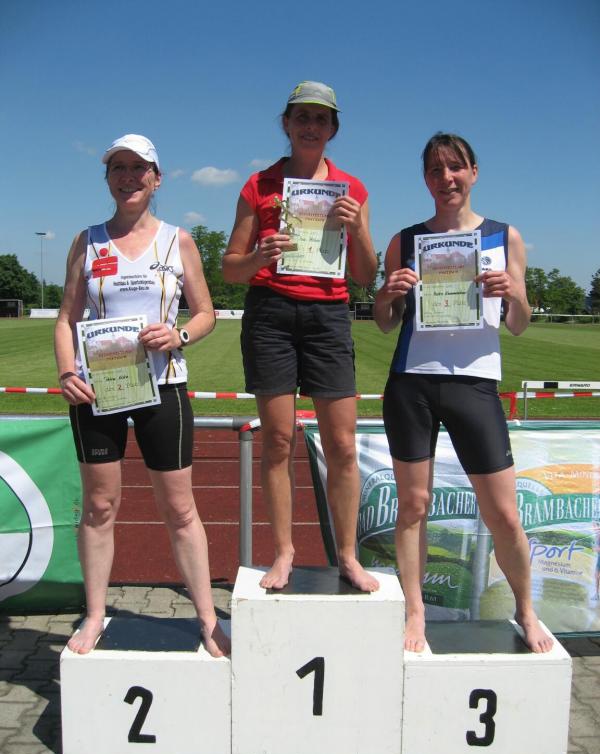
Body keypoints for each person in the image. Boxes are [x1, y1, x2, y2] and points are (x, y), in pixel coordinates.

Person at [374, 132, 554, 653]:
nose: (446, 178)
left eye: (455, 167)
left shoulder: (504, 236)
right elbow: (386, 322)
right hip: (412, 381)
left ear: (473, 172)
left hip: (475, 383)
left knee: (503, 514)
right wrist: (386, 295)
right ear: (425, 179)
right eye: (435, 170)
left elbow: (518, 325)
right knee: (413, 505)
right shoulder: (405, 240)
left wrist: (515, 294)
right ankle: (415, 613)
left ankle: (526, 609)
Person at [54, 134, 230, 657]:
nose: (128, 177)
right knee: (99, 505)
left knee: (179, 508)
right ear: (108, 178)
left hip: (163, 387)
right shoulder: (87, 241)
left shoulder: (178, 240)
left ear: (156, 178)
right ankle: (94, 615)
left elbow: (207, 313)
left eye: (139, 168)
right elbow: (66, 319)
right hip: (97, 390)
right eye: (118, 168)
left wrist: (178, 334)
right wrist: (66, 372)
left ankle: (207, 619)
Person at [222, 81, 379, 592]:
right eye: (302, 117)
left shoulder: (352, 190)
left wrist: (358, 230)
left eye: (321, 119)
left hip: (328, 316)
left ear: (333, 129)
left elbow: (365, 275)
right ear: (286, 124)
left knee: (342, 444)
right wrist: (259, 256)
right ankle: (285, 552)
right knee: (278, 440)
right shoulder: (259, 184)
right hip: (270, 315)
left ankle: (348, 555)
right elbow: (231, 268)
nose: (311, 126)